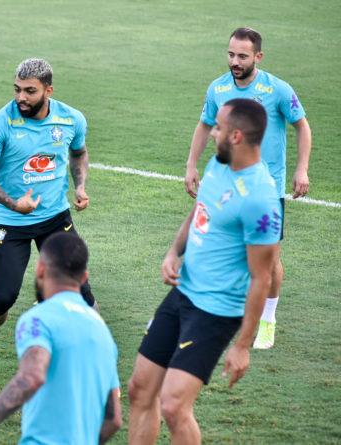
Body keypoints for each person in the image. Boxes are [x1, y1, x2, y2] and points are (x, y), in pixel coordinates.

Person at [128, 99, 281, 444]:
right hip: (183, 292)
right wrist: (172, 252)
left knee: (173, 405)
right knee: (140, 389)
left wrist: (242, 346)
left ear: (237, 136)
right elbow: (198, 212)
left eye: (218, 128)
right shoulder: (217, 164)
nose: (212, 133)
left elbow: (263, 277)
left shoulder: (260, 199)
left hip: (216, 311)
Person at [0, 58, 97, 387]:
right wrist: (13, 203)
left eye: (30, 91)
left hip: (55, 218)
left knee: (84, 296)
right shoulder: (0, 123)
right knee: (4, 296)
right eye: (17, 89)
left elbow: (79, 152)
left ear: (49, 91)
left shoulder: (71, 119)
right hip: (12, 222)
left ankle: (88, 360)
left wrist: (79, 186)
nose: (21, 97)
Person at [184, 27, 312, 349]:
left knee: (267, 259)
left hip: (265, 189)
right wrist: (190, 165)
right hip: (226, 182)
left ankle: (267, 319)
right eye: (231, 54)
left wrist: (301, 168)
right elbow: (205, 125)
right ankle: (223, 309)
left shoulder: (277, 89)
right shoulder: (218, 88)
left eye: (242, 56)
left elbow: (302, 126)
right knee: (224, 246)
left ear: (258, 56)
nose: (235, 61)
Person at [0, 231, 121, 444]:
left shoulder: (38, 319)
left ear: (40, 269)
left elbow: (32, 377)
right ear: (84, 277)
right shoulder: (101, 330)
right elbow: (114, 420)